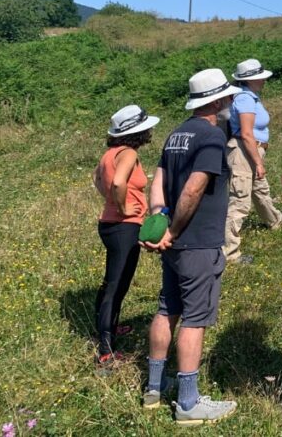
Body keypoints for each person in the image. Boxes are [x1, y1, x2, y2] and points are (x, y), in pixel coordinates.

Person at [141, 69, 241, 425]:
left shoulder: (176, 133)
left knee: (167, 307)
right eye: (227, 97)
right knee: (195, 319)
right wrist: (177, 229)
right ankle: (187, 403)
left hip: (173, 242)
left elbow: (160, 179)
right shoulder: (212, 137)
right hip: (197, 243)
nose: (231, 102)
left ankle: (154, 388)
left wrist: (159, 221)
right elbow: (194, 189)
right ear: (216, 101)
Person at [92, 104, 160, 367]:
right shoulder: (128, 153)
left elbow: (98, 179)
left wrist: (110, 201)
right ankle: (105, 349)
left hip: (108, 224)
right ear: (138, 132)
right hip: (124, 226)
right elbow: (118, 182)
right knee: (117, 284)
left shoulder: (110, 153)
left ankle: (108, 326)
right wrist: (123, 206)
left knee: (112, 280)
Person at [222, 58, 282, 265]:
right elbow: (247, 133)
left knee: (259, 188)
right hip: (245, 150)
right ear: (250, 80)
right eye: (260, 78)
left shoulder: (250, 97)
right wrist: (258, 162)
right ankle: (229, 253)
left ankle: (274, 219)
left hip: (250, 150)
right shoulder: (244, 99)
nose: (264, 81)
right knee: (240, 200)